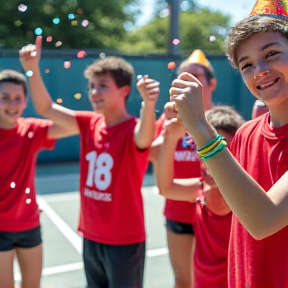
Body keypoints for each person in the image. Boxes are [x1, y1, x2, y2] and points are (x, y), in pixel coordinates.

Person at [19, 36, 160, 288]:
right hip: (91, 235)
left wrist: (148, 105)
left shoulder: (133, 129)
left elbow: (145, 138)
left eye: (103, 85)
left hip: (124, 240)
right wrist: (32, 69)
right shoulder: (88, 123)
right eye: (92, 86)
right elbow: (46, 108)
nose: (94, 92)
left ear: (124, 90)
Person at [169, 0, 288, 287]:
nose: (259, 69)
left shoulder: (220, 137)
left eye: (271, 53)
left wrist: (201, 128)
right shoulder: (246, 134)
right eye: (246, 64)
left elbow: (263, 221)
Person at [150, 49, 217, 288]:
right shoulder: (170, 119)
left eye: (195, 76)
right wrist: (170, 132)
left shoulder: (221, 119)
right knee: (183, 279)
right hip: (177, 211)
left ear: (211, 84)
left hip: (215, 212)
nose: (188, 80)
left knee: (212, 279)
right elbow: (151, 154)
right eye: (183, 76)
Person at [156, 106, 244, 288]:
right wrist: (171, 138)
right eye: (204, 147)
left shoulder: (243, 197)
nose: (210, 156)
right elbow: (165, 187)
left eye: (220, 148)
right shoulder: (200, 190)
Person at [0, 70, 56, 288]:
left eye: (18, 98)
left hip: (28, 225)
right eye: (5, 97)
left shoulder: (31, 129)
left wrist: (33, 71)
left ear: (26, 101)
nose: (12, 104)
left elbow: (73, 125)